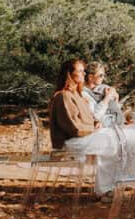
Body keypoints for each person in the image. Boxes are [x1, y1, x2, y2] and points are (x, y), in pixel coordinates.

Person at [49, 58, 122, 199]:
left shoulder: (76, 94)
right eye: (80, 71)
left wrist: (95, 123)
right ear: (69, 74)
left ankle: (108, 186)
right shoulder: (63, 96)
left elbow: (86, 118)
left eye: (84, 71)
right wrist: (93, 129)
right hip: (72, 142)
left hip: (82, 136)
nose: (83, 74)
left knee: (113, 137)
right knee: (110, 142)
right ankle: (105, 189)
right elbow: (73, 128)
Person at [82, 61, 122, 126]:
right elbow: (95, 116)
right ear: (90, 77)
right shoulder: (84, 94)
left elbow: (116, 113)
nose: (103, 78)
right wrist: (107, 97)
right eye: (100, 75)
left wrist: (116, 98)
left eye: (104, 75)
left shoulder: (103, 88)